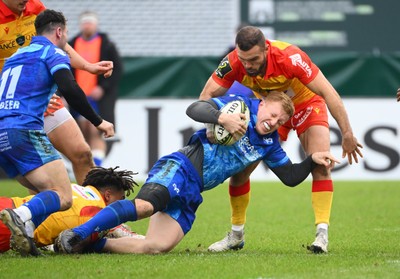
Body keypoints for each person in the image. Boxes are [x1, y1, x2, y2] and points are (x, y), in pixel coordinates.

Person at [54, 92, 339, 255]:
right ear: (262, 104)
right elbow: (195, 108)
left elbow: (289, 177)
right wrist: (220, 117)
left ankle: (93, 245)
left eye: (280, 121)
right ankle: (76, 234)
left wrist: (312, 158)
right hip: (181, 168)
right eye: (272, 113)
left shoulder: (269, 144)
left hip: (194, 190)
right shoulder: (238, 106)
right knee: (144, 206)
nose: (272, 121)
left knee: (155, 247)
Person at [199, 26, 363, 254]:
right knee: (241, 172)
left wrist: (346, 133)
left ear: (266, 49)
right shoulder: (233, 62)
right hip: (271, 112)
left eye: (254, 59)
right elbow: (206, 96)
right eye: (244, 59)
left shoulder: (291, 58)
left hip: (306, 103)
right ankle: (236, 235)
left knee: (321, 163)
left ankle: (321, 235)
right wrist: (213, 124)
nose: (249, 65)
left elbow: (328, 92)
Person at [0, 9, 114, 257]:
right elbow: (70, 89)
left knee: (43, 192)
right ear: (59, 32)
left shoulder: (16, 56)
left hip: (2, 134)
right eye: (66, 35)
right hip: (24, 130)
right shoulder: (52, 53)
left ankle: (27, 234)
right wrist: (98, 121)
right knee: (63, 196)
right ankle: (20, 216)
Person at [0, 0, 115, 184]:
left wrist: (87, 66)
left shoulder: (34, 6)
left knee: (82, 154)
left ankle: (92, 212)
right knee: (40, 177)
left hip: (45, 100)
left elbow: (57, 41)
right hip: (11, 106)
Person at [0, 166, 142, 254]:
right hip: (7, 231)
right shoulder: (98, 213)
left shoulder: (71, 187)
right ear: (108, 195)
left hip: (8, 203)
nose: (121, 204)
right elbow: (69, 245)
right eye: (121, 199)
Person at [69, 11, 123, 165]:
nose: (88, 25)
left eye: (90, 22)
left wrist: (102, 87)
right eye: (85, 22)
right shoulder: (72, 45)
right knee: (82, 131)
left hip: (97, 97)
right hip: (78, 96)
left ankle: (96, 166)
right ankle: (89, 165)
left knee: (96, 131)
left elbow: (117, 69)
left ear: (96, 24)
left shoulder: (106, 45)